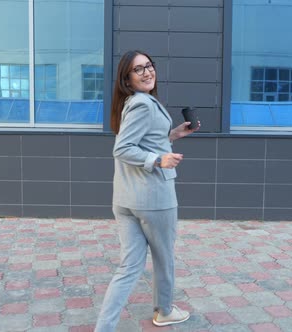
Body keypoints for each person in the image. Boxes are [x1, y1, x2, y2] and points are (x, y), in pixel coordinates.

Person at [94, 50, 200, 331]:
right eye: (138, 69)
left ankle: (104, 327)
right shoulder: (143, 104)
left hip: (126, 200)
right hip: (153, 198)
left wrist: (173, 135)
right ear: (127, 79)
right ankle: (164, 311)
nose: (147, 72)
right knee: (164, 259)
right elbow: (123, 148)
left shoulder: (132, 103)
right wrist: (158, 160)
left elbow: (143, 139)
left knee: (128, 267)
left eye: (149, 66)